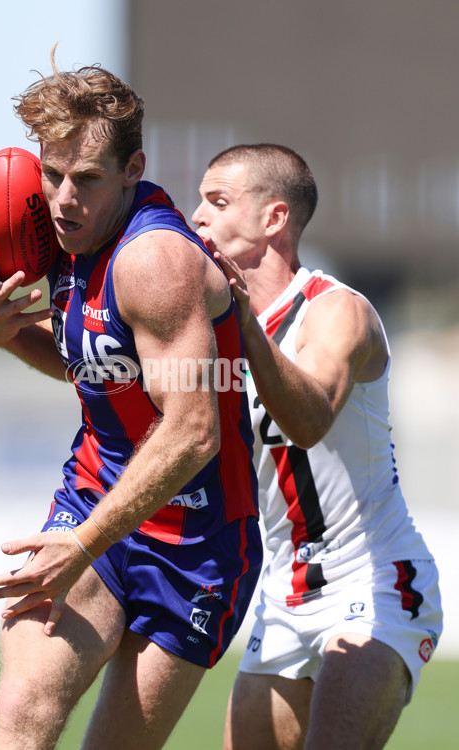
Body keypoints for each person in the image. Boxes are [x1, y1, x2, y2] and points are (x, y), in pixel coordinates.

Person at [0, 56, 263, 750]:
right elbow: (98, 370)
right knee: (22, 711)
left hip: (197, 544)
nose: (63, 198)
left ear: (134, 169)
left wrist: (81, 542)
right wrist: (13, 336)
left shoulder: (152, 261)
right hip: (95, 497)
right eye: (52, 174)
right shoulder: (66, 240)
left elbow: (193, 432)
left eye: (87, 179)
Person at [192, 143, 443, 750]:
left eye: (217, 201)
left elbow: (307, 420)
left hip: (375, 578)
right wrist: (18, 337)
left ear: (274, 219)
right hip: (282, 594)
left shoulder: (336, 312)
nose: (196, 216)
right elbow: (127, 383)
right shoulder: (214, 330)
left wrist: (245, 325)